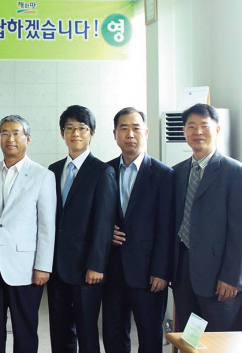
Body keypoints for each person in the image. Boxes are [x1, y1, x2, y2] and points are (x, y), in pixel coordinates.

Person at [172, 103, 242, 332]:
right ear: (184, 132)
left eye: (204, 126)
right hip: (183, 274)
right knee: (191, 339)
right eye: (191, 126)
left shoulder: (236, 173)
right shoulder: (177, 172)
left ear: (217, 130)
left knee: (221, 341)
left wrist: (231, 277)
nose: (197, 132)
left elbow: (241, 232)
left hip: (220, 278)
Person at [0, 115, 56, 353]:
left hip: (26, 268)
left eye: (16, 133)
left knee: (25, 330)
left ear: (28, 139)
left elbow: (46, 225)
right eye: (4, 133)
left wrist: (43, 266)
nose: (10, 138)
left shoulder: (43, 176)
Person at [47, 105, 118, 353]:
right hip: (56, 267)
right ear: (62, 133)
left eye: (82, 128)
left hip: (87, 269)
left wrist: (97, 265)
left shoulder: (102, 172)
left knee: (87, 332)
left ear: (92, 133)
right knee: (59, 329)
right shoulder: (53, 171)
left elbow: (104, 222)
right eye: (69, 128)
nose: (75, 133)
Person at [102, 107, 174, 353]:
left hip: (148, 272)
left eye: (135, 128)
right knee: (112, 334)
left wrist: (162, 271)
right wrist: (105, 233)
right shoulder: (106, 171)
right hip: (112, 268)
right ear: (115, 134)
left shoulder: (164, 175)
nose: (130, 134)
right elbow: (97, 218)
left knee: (150, 335)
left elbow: (167, 227)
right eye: (124, 128)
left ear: (146, 132)